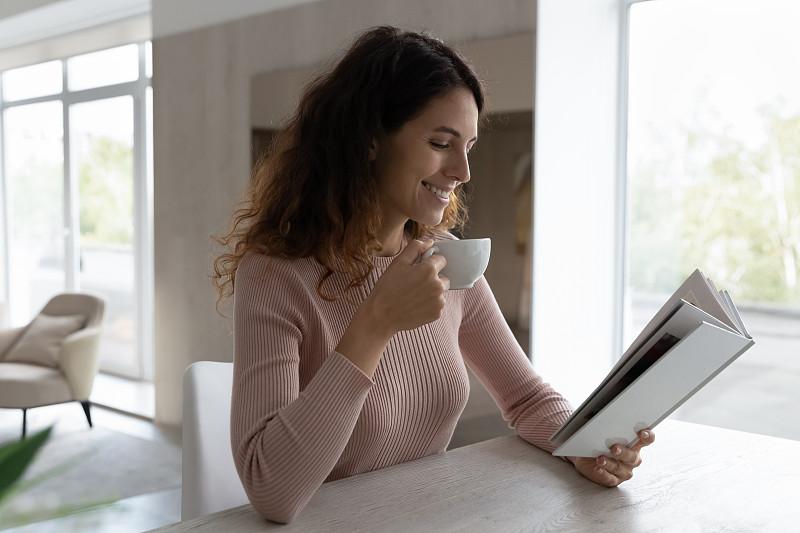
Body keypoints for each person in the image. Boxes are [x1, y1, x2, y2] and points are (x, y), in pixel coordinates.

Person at [212, 25, 654, 524]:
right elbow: (271, 490)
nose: (463, 170)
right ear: (371, 140)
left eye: (469, 145)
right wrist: (374, 323)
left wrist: (583, 446)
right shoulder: (276, 276)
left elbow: (526, 398)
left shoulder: (447, 259)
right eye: (442, 142)